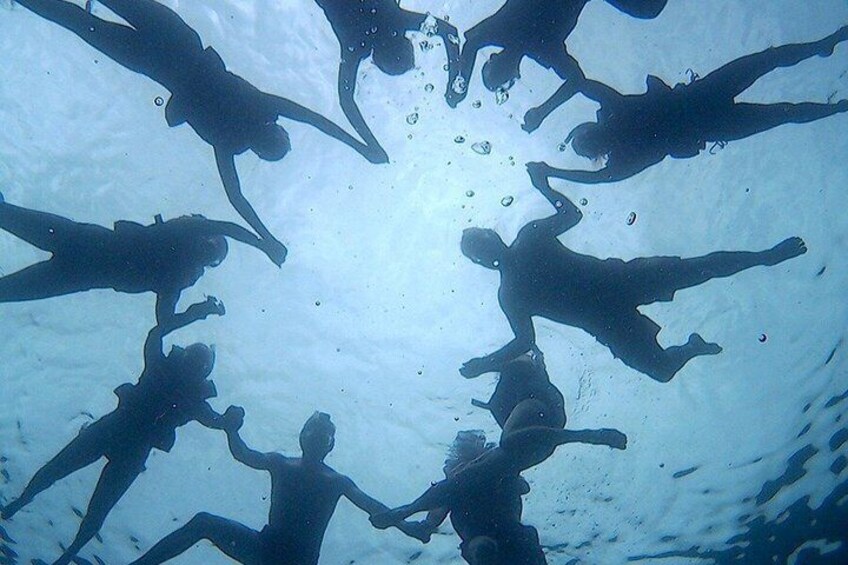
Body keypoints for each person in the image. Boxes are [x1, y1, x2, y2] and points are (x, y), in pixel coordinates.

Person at [14, 0, 382, 257]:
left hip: (175, 44)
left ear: (275, 132)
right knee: (81, 23)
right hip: (160, 60)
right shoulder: (236, 134)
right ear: (260, 148)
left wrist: (363, 145)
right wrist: (266, 239)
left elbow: (317, 122)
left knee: (84, 21)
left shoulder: (259, 112)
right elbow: (239, 196)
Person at [459, 166, 808, 382]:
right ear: (482, 260)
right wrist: (485, 364)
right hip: (606, 319)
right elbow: (525, 342)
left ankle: (766, 256)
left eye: (482, 241)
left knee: (699, 268)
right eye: (480, 248)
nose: (487, 248)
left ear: (492, 238)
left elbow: (571, 216)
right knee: (662, 370)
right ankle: (691, 348)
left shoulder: (529, 241)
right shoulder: (511, 292)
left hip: (619, 281)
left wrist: (544, 187)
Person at [1, 297, 237, 565]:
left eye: (197, 362)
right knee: (85, 497)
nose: (192, 366)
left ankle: (34, 518)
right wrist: (231, 422)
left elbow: (156, 333)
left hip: (115, 431)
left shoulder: (169, 375)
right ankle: (57, 543)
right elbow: (217, 421)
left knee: (72, 483)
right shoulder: (189, 396)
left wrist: (197, 313)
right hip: (130, 446)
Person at [532, 25, 848, 184]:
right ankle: (833, 97)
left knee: (771, 76)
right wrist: (550, 161)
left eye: (588, 138)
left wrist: (545, 119)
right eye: (590, 143)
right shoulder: (624, 150)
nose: (596, 138)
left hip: (704, 105)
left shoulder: (620, 126)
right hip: (708, 113)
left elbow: (581, 84)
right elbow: (598, 177)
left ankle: (825, 50)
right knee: (779, 102)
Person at [130, 411, 430, 564]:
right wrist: (231, 430)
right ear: (302, 435)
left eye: (324, 433)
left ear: (331, 444)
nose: (317, 435)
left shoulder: (335, 481)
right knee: (203, 522)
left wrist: (407, 525)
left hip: (291, 560)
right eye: (313, 429)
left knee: (203, 523)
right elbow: (243, 454)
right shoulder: (281, 463)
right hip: (265, 549)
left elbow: (372, 506)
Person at [371, 403, 627, 564]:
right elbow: (439, 505)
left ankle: (482, 549)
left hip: (502, 535)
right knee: (482, 539)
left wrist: (408, 515)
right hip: (491, 537)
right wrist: (422, 523)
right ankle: (482, 550)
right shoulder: (457, 482)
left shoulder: (491, 465)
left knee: (483, 532)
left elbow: (443, 498)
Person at [0, 195, 278, 324]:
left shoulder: (183, 240)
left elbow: (226, 227)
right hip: (81, 273)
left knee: (5, 214)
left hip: (82, 241)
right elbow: (165, 321)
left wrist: (264, 244)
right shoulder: (179, 275)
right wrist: (198, 312)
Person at [448, 0, 667, 110]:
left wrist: (543, 112)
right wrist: (460, 83)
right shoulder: (541, 48)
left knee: (648, 8)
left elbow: (577, 82)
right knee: (648, 8)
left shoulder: (537, 46)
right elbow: (577, 81)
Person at [315, 0, 460, 161]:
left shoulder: (396, 21)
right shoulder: (355, 47)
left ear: (405, 40)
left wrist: (454, 81)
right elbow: (346, 101)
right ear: (375, 59)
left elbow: (450, 32)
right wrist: (371, 147)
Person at [471, 348, 566, 431]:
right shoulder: (534, 375)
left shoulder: (527, 374)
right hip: (542, 422)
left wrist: (482, 366)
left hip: (519, 422)